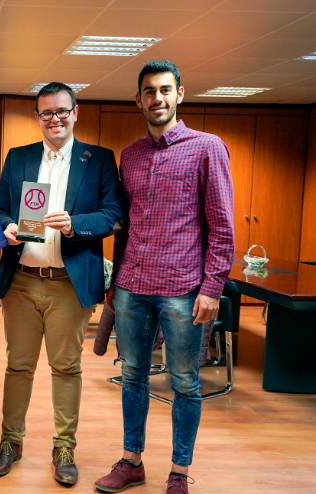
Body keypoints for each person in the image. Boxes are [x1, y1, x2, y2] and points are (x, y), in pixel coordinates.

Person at [94, 60, 234, 494]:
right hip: (132, 287)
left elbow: (222, 226)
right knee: (132, 375)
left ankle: (178, 471)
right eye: (149, 91)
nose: (157, 98)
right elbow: (126, 226)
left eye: (165, 89)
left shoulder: (208, 148)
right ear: (139, 100)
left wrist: (212, 288)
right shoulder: (131, 155)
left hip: (183, 290)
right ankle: (131, 460)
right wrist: (115, 284)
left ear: (179, 94)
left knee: (185, 382)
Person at [0, 82, 123, 487]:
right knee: (18, 366)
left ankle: (64, 448)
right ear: (38, 117)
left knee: (66, 368)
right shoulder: (20, 157)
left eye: (62, 111)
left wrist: (75, 224)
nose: (55, 119)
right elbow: (1, 208)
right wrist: (7, 226)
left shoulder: (98, 159)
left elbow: (113, 213)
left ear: (75, 113)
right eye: (47, 112)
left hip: (69, 284)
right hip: (22, 282)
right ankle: (10, 442)